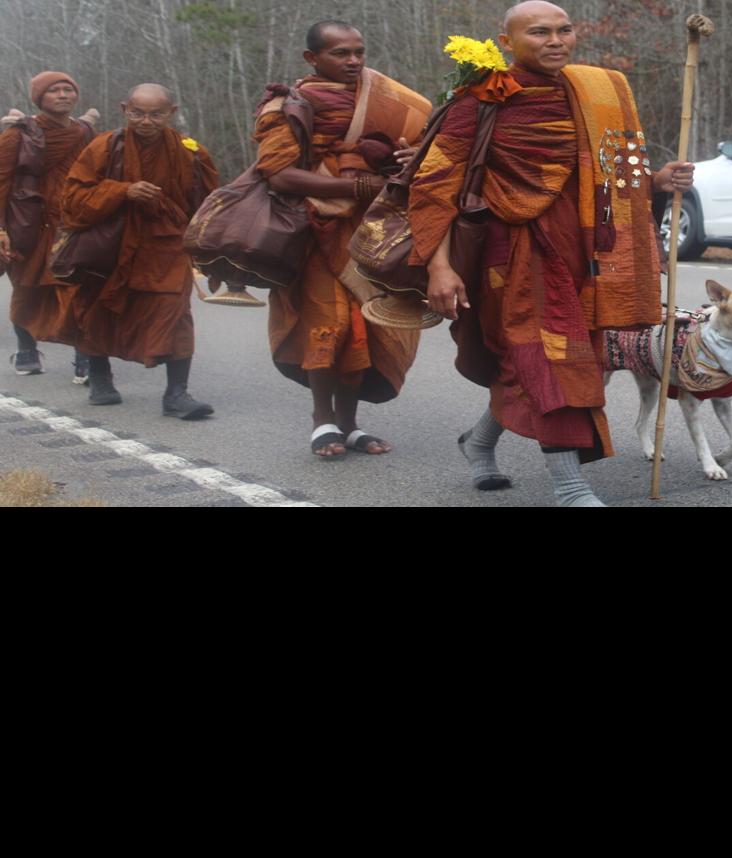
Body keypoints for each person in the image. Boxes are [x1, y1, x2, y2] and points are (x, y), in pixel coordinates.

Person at [409, 0, 694, 507]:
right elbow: (434, 187)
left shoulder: (595, 94)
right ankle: (570, 488)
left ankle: (477, 443)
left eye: (564, 30)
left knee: (539, 363)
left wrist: (654, 182)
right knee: (550, 360)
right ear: (506, 41)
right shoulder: (479, 102)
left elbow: (608, 178)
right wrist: (440, 265)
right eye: (539, 32)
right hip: (513, 254)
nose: (556, 41)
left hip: (583, 253)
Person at [254, 20, 431, 458]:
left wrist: (413, 158)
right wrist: (356, 188)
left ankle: (350, 424)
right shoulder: (287, 105)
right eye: (340, 54)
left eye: (358, 52)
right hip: (317, 233)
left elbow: (416, 154)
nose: (353, 61)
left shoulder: (387, 101)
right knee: (326, 326)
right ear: (312, 59)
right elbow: (278, 172)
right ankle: (321, 420)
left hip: (375, 234)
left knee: (364, 327)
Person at [59, 84, 220, 416]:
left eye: (156, 114)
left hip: (165, 246)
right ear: (124, 109)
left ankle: (177, 395)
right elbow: (72, 198)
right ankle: (101, 378)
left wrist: (209, 249)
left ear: (171, 113)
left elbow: (207, 204)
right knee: (98, 307)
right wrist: (122, 191)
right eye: (138, 113)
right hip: (110, 245)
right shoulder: (105, 146)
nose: (146, 121)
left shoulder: (190, 152)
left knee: (175, 313)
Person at [0, 72, 96, 378]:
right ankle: (26, 350)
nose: (63, 95)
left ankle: (84, 358)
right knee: (27, 287)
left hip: (72, 222)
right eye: (54, 91)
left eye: (68, 89)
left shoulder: (83, 132)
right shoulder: (19, 135)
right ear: (40, 99)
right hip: (28, 224)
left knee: (78, 288)